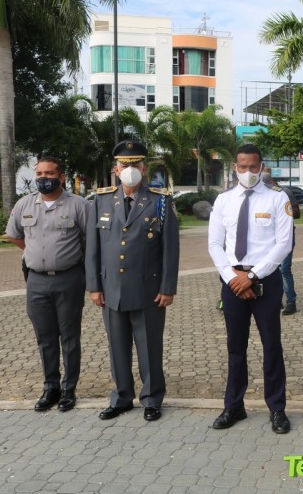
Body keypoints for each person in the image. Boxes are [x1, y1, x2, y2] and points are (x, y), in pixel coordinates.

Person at [86, 141, 180, 422]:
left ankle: (152, 399)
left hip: (148, 289)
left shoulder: (160, 201)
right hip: (111, 289)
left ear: (144, 168)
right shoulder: (101, 201)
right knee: (117, 348)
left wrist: (167, 287)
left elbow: (170, 248)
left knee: (150, 347)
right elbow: (92, 248)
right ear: (115, 170)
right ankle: (121, 397)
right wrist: (94, 286)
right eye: (124, 165)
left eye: (135, 165)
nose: (130, 169)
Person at [207, 144, 293, 434]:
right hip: (232, 279)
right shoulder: (223, 200)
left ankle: (277, 408)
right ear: (235, 167)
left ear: (261, 166)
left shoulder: (277, 199)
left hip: (265, 280)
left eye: (253, 166)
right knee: (235, 346)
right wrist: (232, 277)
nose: (248, 172)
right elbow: (215, 244)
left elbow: (284, 244)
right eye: (242, 167)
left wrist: (253, 276)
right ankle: (234, 406)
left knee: (271, 345)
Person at [6, 157, 89, 412]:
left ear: (61, 177)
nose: (44, 178)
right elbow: (14, 235)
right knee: (45, 337)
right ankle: (51, 388)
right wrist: (34, 253)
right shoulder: (24, 204)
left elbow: (91, 241)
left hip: (69, 278)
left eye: (50, 173)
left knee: (69, 337)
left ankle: (68, 389)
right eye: (40, 173)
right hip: (36, 280)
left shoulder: (79, 205)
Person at [262, 167, 301, 316]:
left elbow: (297, 213)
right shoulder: (262, 196)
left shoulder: (284, 192)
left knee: (284, 269)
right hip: (268, 238)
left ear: (271, 182)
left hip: (285, 237)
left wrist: (283, 212)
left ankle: (291, 302)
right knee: (271, 269)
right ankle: (276, 299)